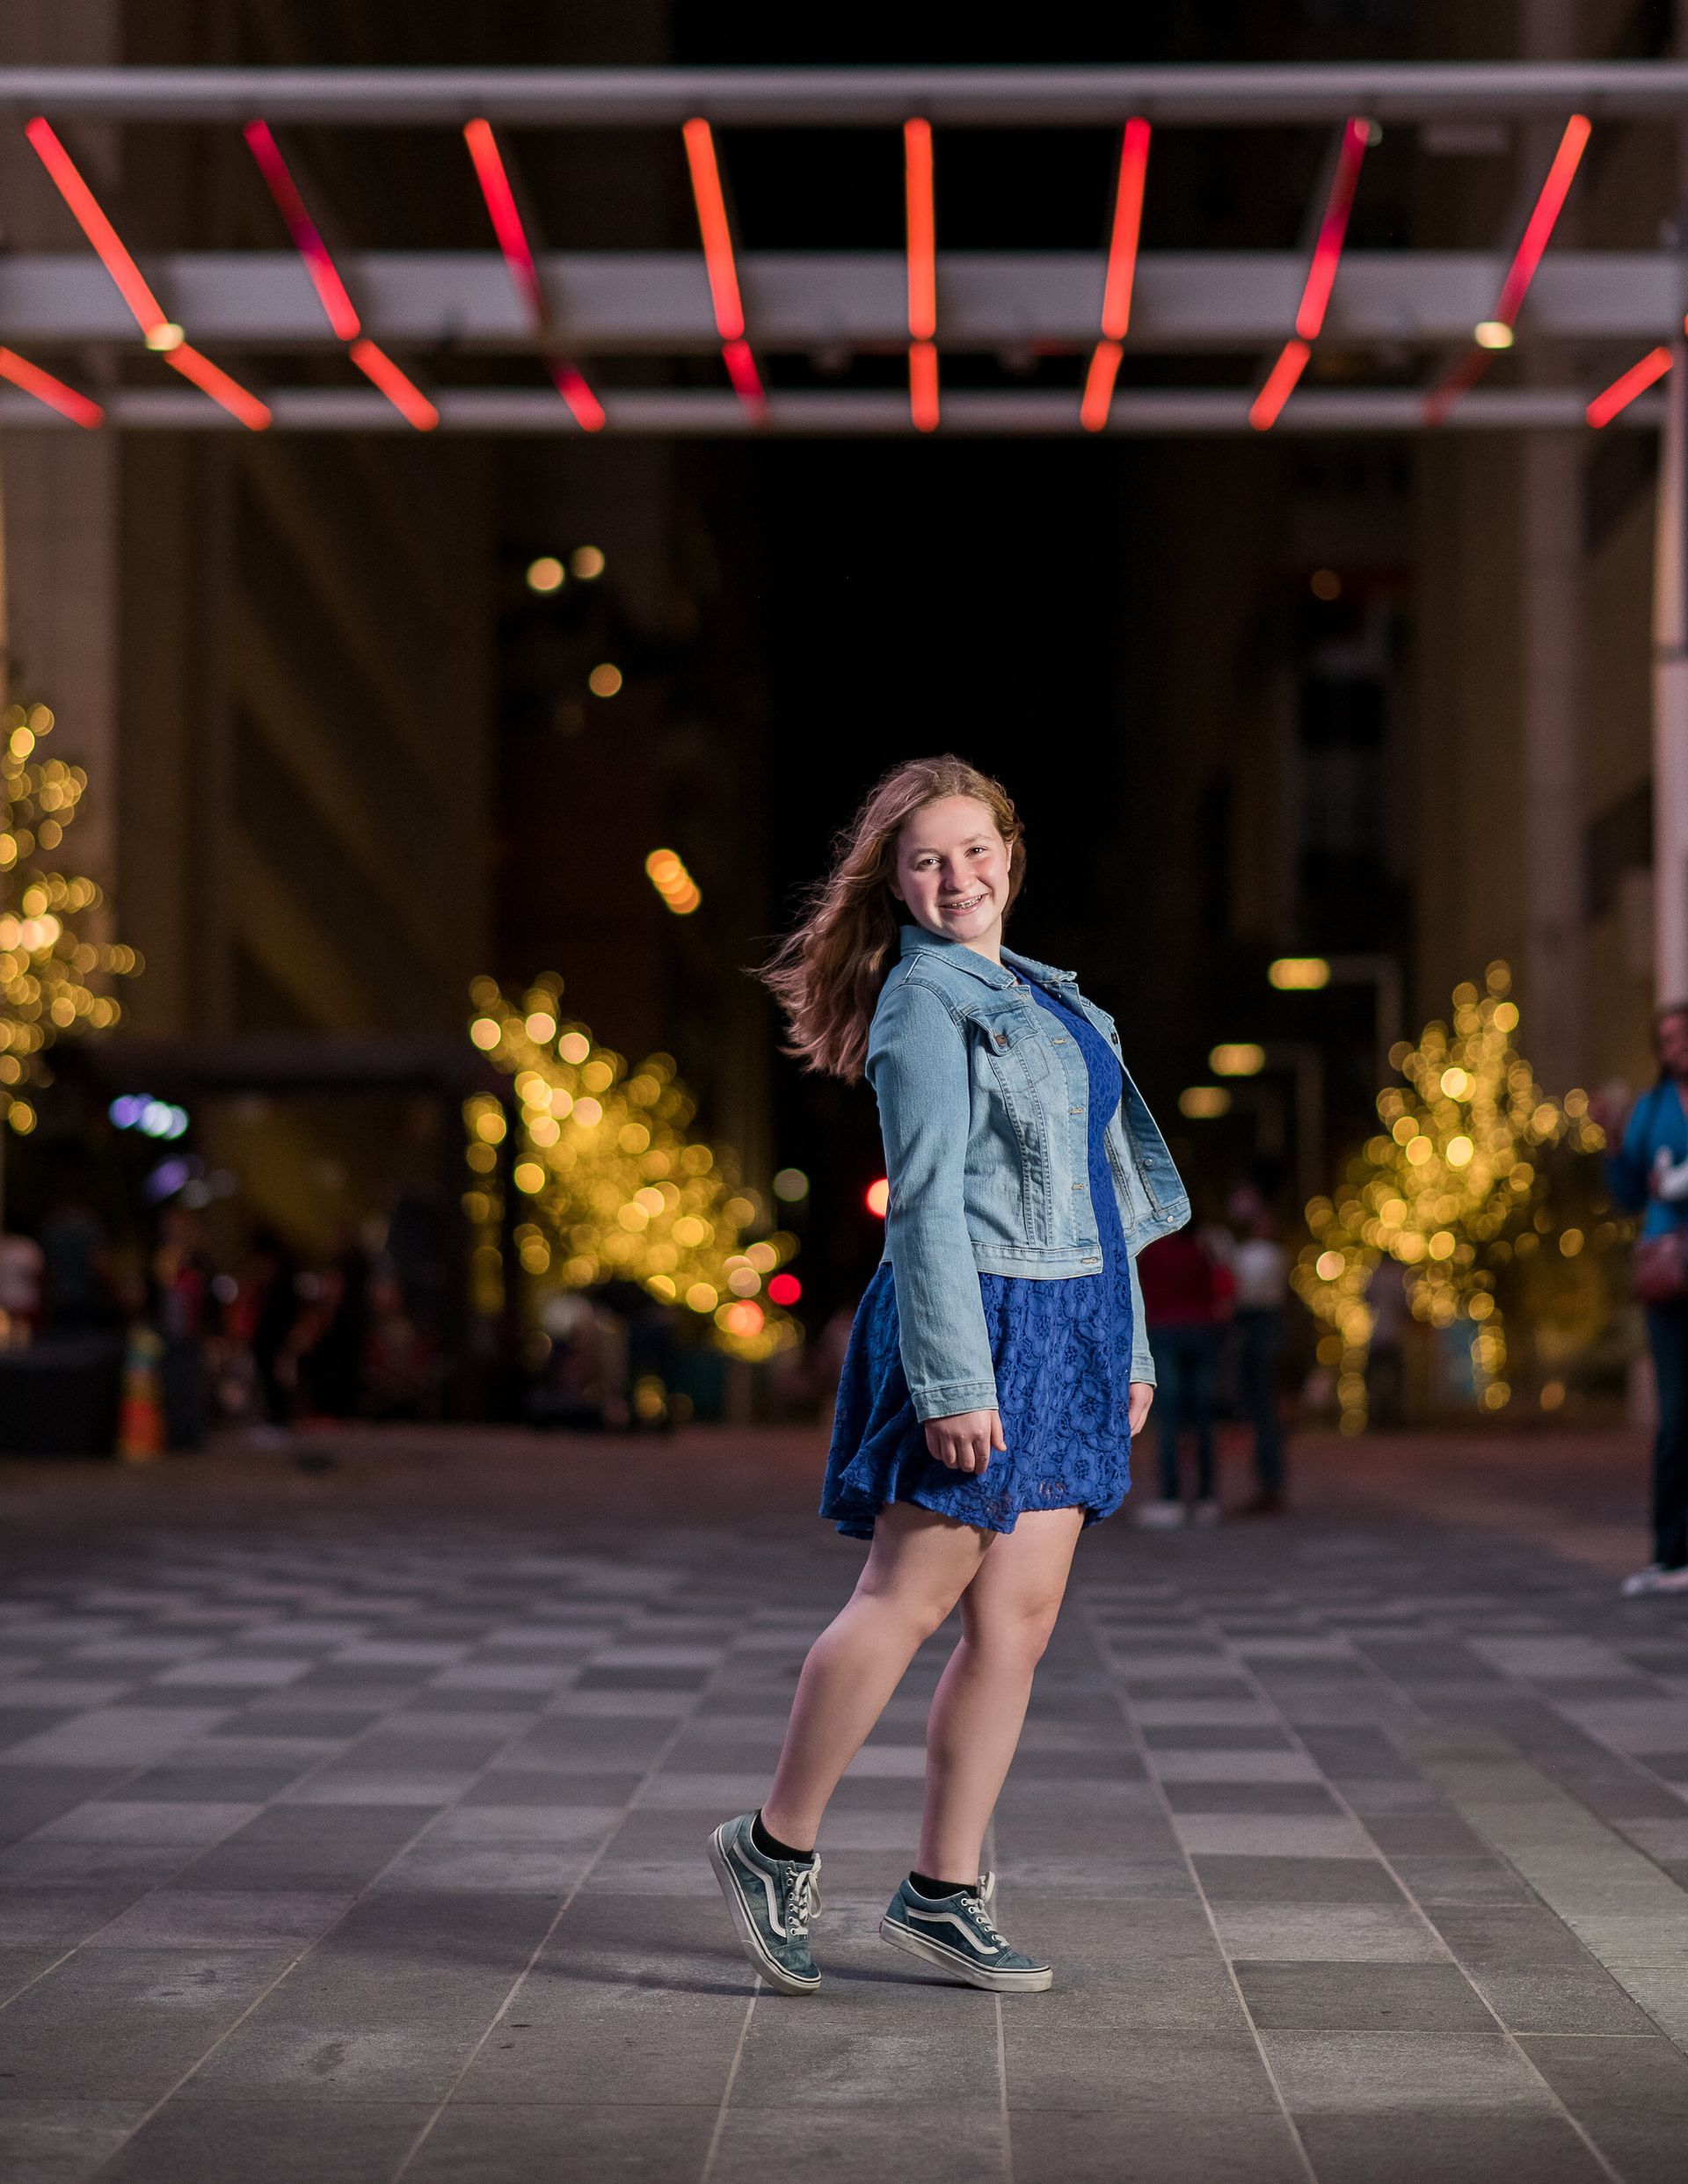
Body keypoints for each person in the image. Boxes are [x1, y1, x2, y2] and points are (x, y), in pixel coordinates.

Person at [706, 754, 1188, 1998]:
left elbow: (1108, 1191)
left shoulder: (1050, 996)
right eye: (927, 860)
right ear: (899, 882)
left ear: (1011, 856)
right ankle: (774, 1846)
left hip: (1074, 1318)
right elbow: (921, 1202)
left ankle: (943, 1891)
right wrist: (951, 1380)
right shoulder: (928, 1004)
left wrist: (1125, 1352)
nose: (957, 876)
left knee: (1016, 1626)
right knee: (904, 1601)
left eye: (975, 852)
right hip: (981, 1321)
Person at [1607, 1001, 1688, 1596]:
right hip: (1670, 1273)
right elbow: (1629, 1194)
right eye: (1668, 1038)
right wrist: (1613, 1147)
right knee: (1677, 1416)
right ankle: (1671, 1552)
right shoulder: (1652, 1110)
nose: (1679, 1045)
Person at [1135, 1224, 1232, 1525]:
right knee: (1203, 1418)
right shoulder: (1203, 1246)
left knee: (1170, 1418)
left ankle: (1171, 1497)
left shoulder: (1151, 1248)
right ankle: (1206, 1498)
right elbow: (1221, 1285)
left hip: (1165, 1332)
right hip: (1202, 1332)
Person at [1229, 1196, 1290, 1514]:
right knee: (1261, 1408)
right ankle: (1269, 1483)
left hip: (1257, 1323)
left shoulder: (1257, 1254)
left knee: (1262, 1408)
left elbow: (1243, 1290)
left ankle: (1270, 1484)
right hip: (1263, 1324)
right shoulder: (1272, 1254)